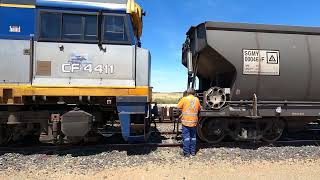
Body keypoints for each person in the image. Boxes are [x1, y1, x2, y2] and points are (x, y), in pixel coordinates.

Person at [177, 88, 201, 157]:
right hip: (194, 121)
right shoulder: (197, 99)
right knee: (193, 137)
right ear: (194, 93)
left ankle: (186, 153)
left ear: (187, 93)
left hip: (186, 121)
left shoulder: (184, 99)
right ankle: (193, 152)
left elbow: (178, 106)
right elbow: (199, 108)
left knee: (186, 137)